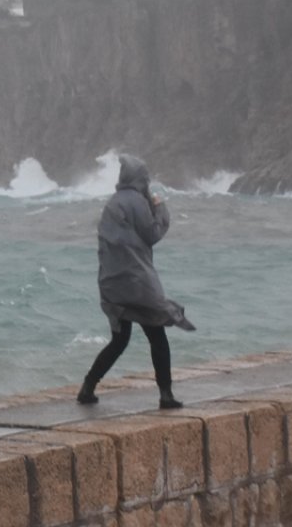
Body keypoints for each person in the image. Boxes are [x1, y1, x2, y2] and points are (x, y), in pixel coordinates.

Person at [78, 155, 195, 409]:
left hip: (112, 284)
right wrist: (159, 206)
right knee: (158, 336)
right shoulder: (137, 202)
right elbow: (152, 233)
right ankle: (165, 394)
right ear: (141, 179)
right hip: (137, 285)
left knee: (119, 341)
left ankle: (88, 386)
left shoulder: (112, 204)